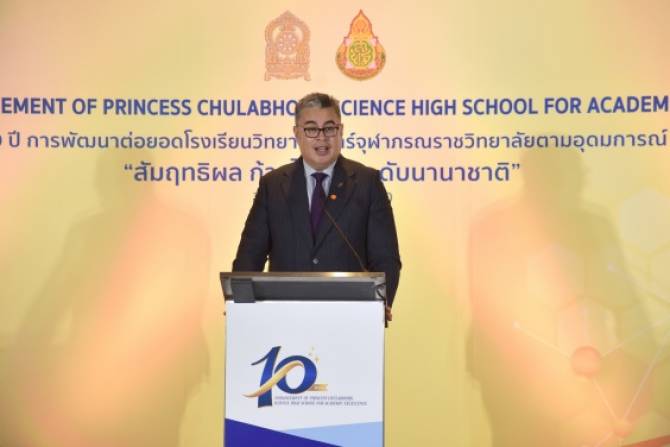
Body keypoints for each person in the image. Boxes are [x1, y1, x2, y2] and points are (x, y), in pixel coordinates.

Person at [232, 92, 401, 317]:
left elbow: (386, 258)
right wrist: (239, 305)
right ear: (297, 133)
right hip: (283, 317)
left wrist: (380, 304)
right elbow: (249, 256)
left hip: (350, 318)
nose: (322, 138)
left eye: (329, 128)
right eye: (311, 129)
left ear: (341, 131)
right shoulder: (273, 185)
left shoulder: (367, 183)